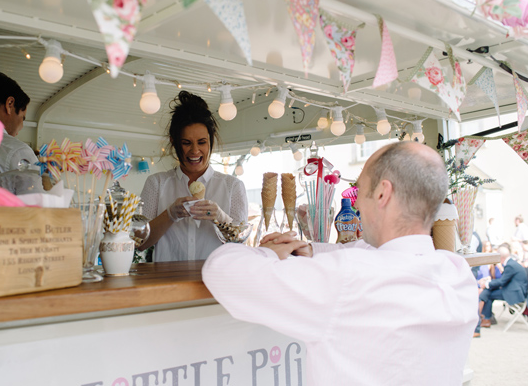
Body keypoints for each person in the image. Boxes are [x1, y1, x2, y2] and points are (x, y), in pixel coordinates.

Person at [203, 141, 477, 386]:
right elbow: (372, 251)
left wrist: (270, 252)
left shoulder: (348, 278)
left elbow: (220, 270)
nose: (357, 206)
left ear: (382, 194)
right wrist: (309, 249)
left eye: (360, 192)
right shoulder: (459, 275)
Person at [139, 91, 247, 262]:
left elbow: (240, 241)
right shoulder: (157, 183)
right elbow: (140, 242)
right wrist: (170, 214)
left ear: (211, 141)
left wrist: (221, 218)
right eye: (186, 143)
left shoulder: (232, 186)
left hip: (215, 281)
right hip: (169, 282)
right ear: (174, 142)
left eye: (202, 142)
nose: (195, 151)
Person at [478, 245, 528, 328]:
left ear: (500, 256)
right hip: (515, 291)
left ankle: (486, 318)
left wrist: (487, 284)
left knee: (488, 294)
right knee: (488, 292)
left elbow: (502, 281)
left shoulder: (510, 265)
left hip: (515, 294)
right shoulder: (512, 263)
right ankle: (485, 318)